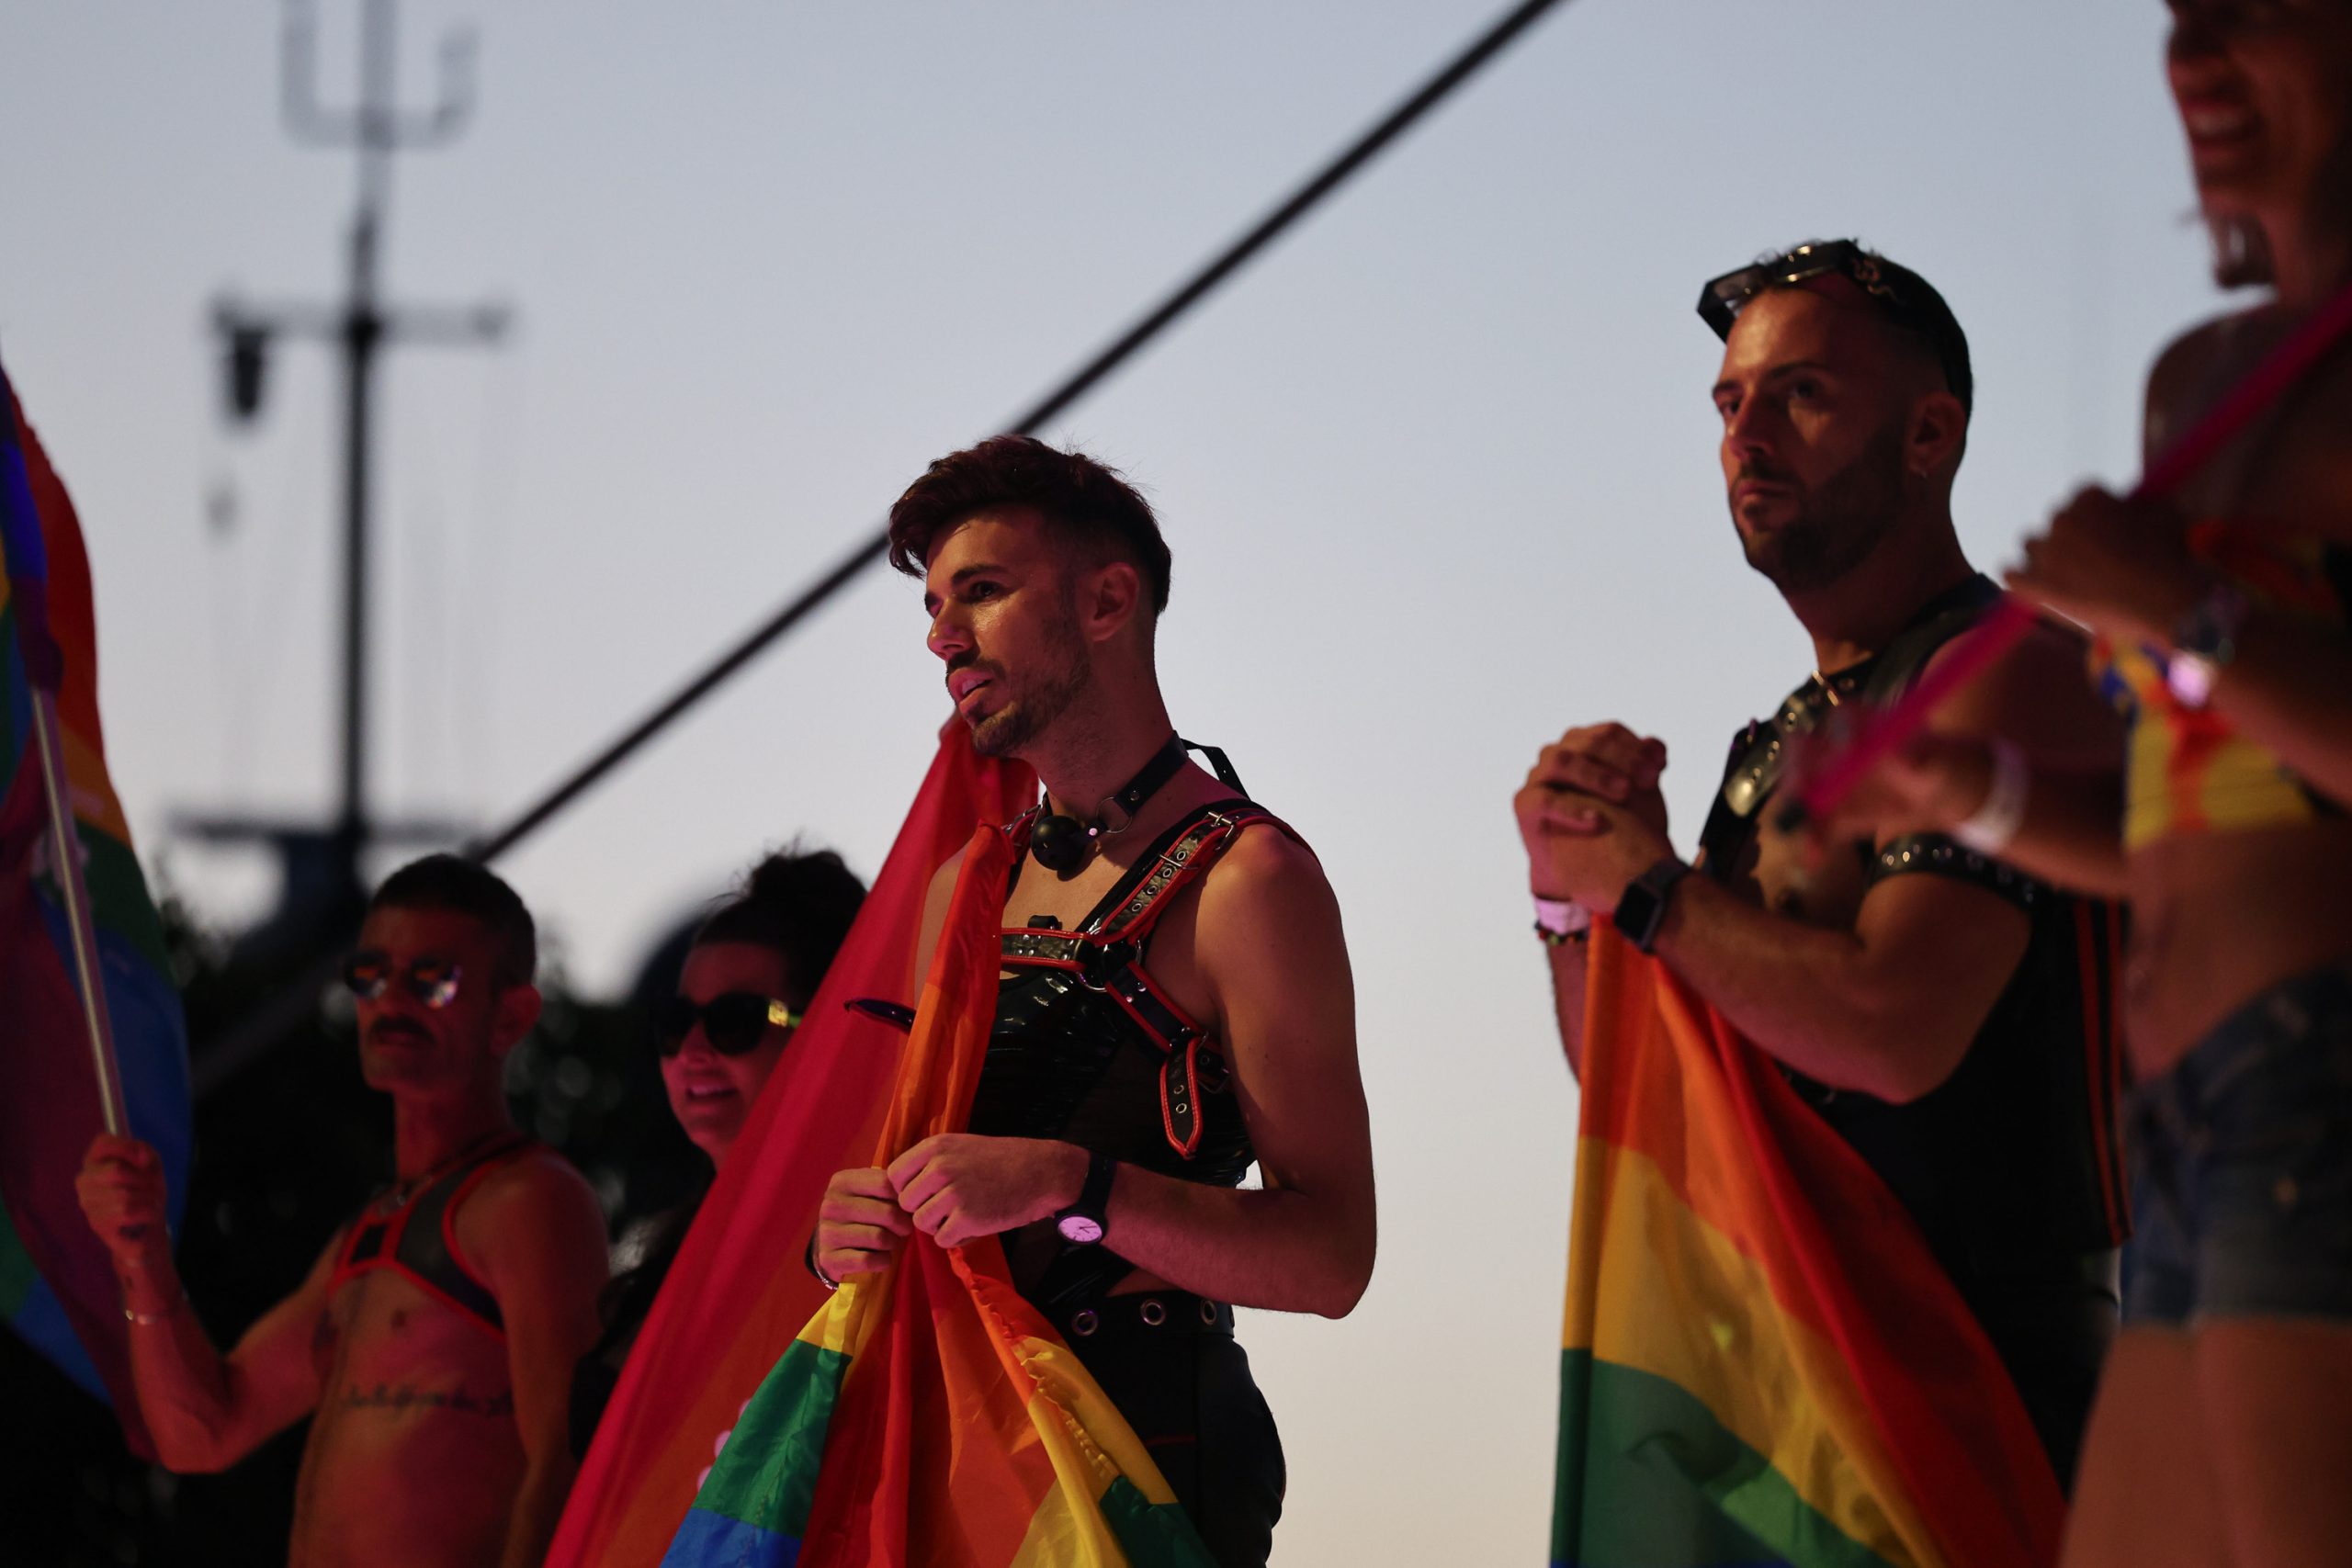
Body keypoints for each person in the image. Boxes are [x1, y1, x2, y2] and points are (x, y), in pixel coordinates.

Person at [1811, 9, 2352, 1563]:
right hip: (2193, 1116)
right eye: (2182, 17)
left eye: (2259, 13)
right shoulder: (2207, 378)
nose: (2195, 59)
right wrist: (1966, 791)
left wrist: (2186, 613)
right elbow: (2209, 833)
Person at [1513, 243, 2129, 1487]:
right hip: (1789, 1414)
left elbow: (1897, 1028)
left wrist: (1647, 885)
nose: (1746, 435)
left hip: (1984, 1414)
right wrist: (1569, 900)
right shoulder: (1780, 742)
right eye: (1730, 404)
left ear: (1929, 433)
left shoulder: (2000, 670)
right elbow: (1651, 1089)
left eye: (1800, 394)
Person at [811, 434, 1376, 1567]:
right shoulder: (960, 890)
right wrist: (842, 1239)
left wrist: (1073, 1189)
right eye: (931, 605)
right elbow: (933, 1189)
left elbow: (1330, 1258)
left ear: (1110, 600)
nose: (941, 637)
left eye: (981, 591)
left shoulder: (1248, 883)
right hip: (953, 1451)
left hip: (1149, 1454)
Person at [76, 856, 610, 1568]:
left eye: (432, 978)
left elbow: (570, 1457)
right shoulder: (371, 1234)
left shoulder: (527, 1200)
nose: (391, 1001)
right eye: (370, 975)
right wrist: (138, 1256)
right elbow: (205, 1431)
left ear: (510, 1013)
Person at [566, 847, 865, 1460]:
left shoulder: (863, 1248)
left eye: (736, 1019)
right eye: (675, 1022)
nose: (693, 1050)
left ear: (821, 1033)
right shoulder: (662, 1262)